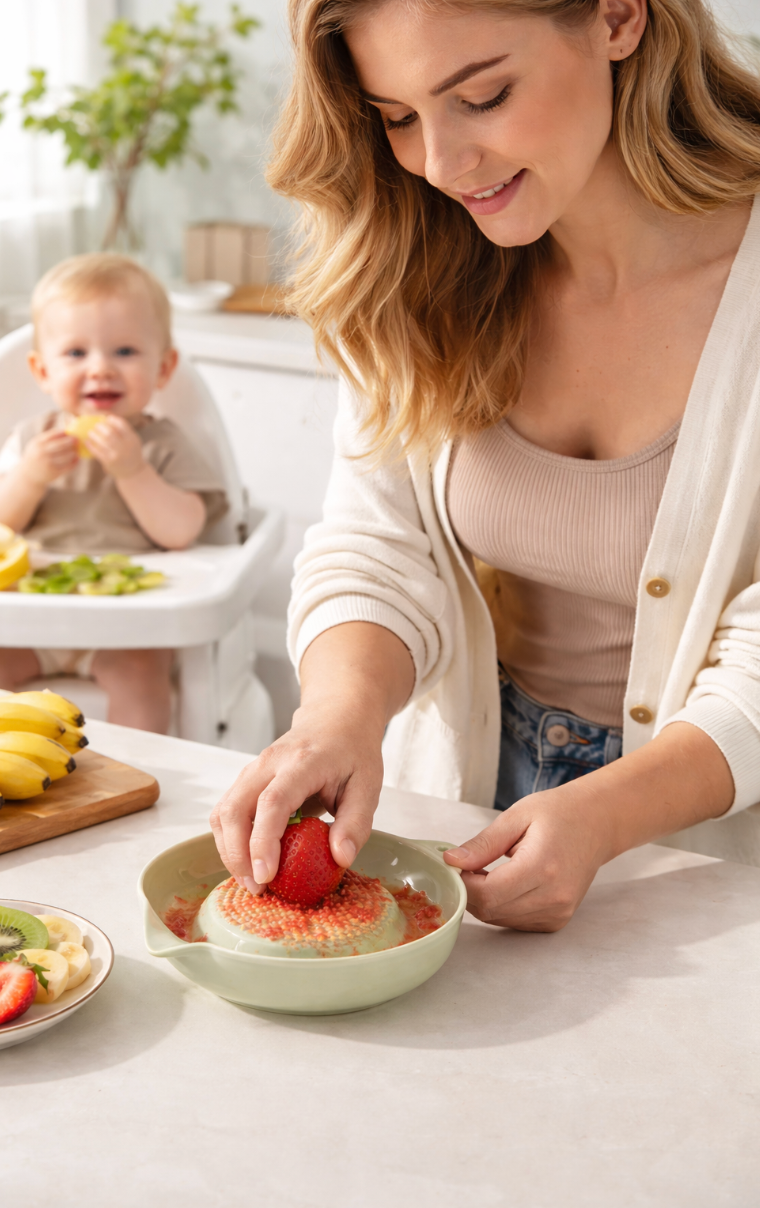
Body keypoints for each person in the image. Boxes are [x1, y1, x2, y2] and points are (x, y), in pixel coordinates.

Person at [210, 0, 760, 931]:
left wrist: (613, 808)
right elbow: (378, 542)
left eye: (485, 94)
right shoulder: (412, 265)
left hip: (716, 830)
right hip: (475, 794)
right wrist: (337, 718)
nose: (439, 162)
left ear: (619, 17)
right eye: (396, 117)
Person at [0, 254, 228, 732]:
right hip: (29, 615)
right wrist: (31, 476)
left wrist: (132, 469)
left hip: (124, 628)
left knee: (144, 676)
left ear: (164, 368)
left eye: (124, 352)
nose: (100, 369)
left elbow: (182, 531)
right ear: (42, 371)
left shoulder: (162, 444)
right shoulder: (31, 440)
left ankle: (132, 778)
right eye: (76, 354)